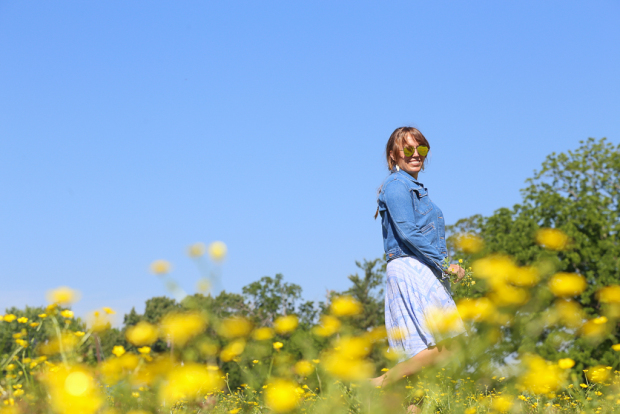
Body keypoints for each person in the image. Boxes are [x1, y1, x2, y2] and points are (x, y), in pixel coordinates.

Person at [370, 127, 466, 397]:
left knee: (420, 355)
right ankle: (376, 384)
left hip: (420, 266)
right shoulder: (397, 185)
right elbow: (408, 232)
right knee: (451, 346)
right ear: (393, 155)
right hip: (411, 266)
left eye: (421, 148)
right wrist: (445, 264)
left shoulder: (411, 187)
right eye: (408, 149)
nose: (416, 154)